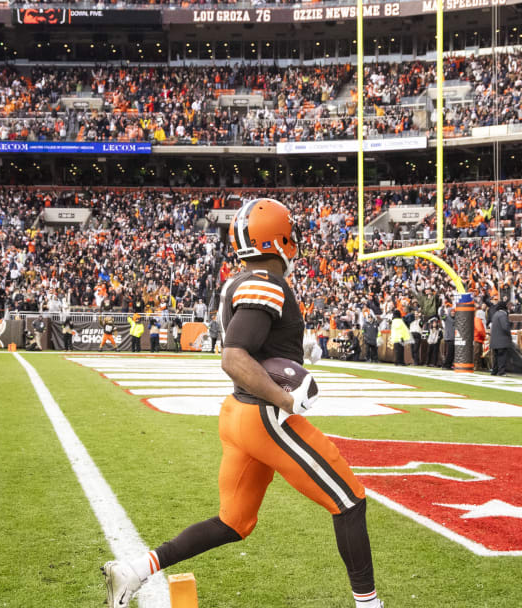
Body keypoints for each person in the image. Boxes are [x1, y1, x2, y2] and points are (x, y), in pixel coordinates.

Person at [103, 198, 383, 608]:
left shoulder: (241, 281)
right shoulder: (265, 284)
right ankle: (370, 605)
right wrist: (286, 399)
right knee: (349, 501)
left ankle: (134, 571)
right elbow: (234, 357)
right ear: (280, 239)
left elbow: (256, 344)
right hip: (262, 417)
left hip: (237, 415)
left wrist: (295, 350)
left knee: (233, 522)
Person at [489, 301, 511, 376]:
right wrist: (509, 333)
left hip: (494, 340)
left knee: (496, 357)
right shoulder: (503, 315)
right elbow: (505, 327)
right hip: (502, 340)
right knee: (502, 357)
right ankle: (501, 372)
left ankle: (494, 371)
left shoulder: (495, 314)